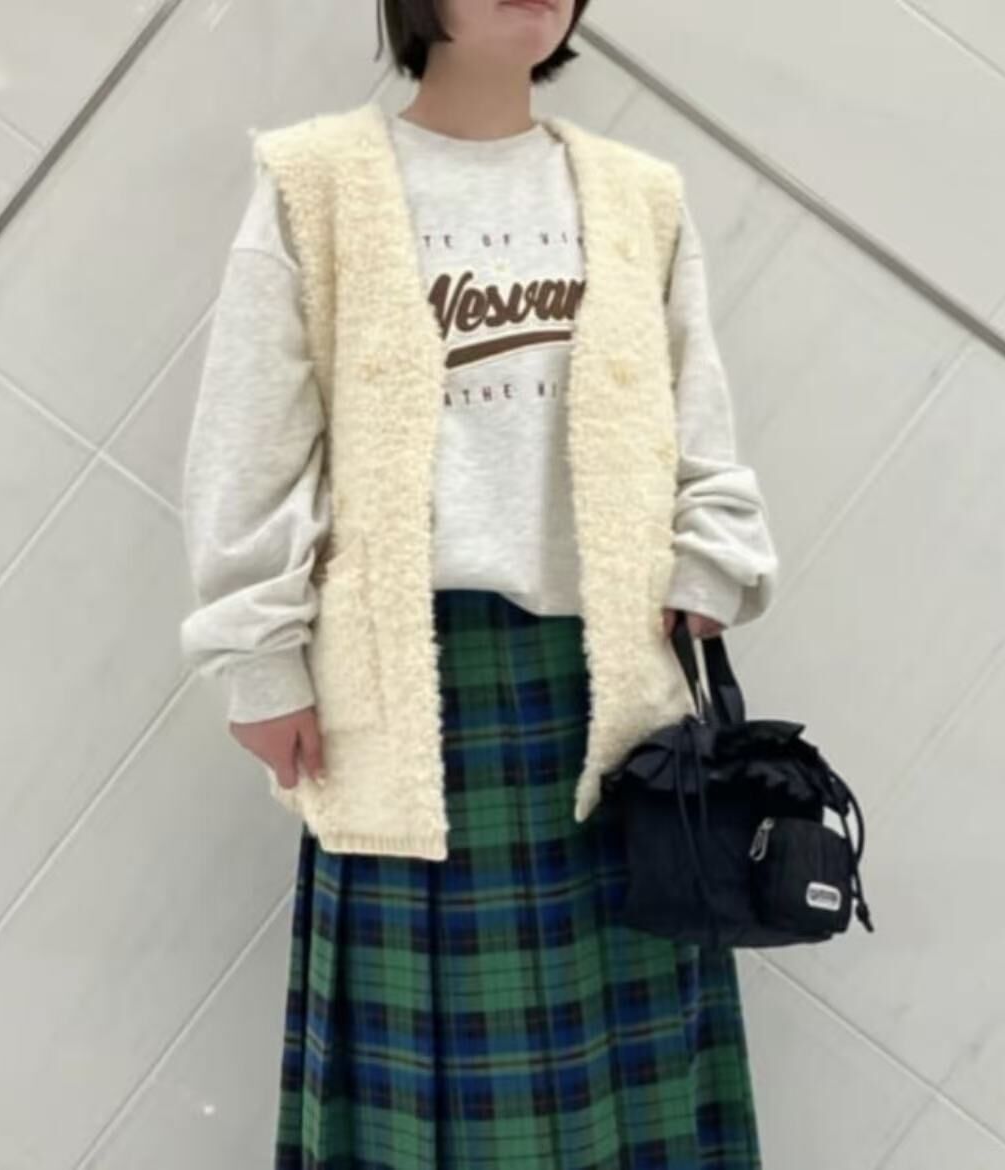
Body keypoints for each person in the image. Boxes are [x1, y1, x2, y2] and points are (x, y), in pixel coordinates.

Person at [179, 1, 780, 1165]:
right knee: (440, 1074)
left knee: (625, 1060)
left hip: (617, 692)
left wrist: (711, 559)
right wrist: (258, 659)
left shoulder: (637, 194)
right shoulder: (318, 182)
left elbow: (696, 416)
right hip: (409, 687)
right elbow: (250, 442)